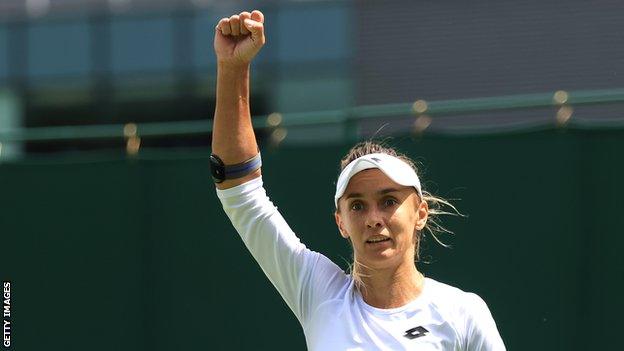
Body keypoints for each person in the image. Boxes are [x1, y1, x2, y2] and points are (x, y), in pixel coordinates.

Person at [211, 10, 506, 350]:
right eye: (357, 206)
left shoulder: (463, 313)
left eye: (389, 201)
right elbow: (240, 192)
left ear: (420, 213)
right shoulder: (318, 293)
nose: (374, 219)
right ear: (341, 222)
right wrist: (233, 68)